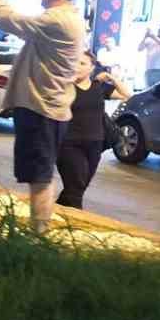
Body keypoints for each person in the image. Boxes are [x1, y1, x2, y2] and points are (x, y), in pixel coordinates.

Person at [0, 0, 86, 232]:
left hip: (42, 109)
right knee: (39, 173)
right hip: (45, 107)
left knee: (40, 176)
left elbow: (9, 21)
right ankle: (39, 232)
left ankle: (38, 236)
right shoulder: (66, 18)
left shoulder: (58, 20)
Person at [56, 51, 131, 210]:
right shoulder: (65, 86)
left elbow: (126, 94)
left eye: (82, 64)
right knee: (76, 186)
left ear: (92, 68)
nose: (77, 66)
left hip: (95, 144)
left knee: (77, 188)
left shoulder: (99, 87)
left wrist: (112, 78)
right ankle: (74, 226)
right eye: (75, 62)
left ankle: (54, 213)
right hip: (68, 144)